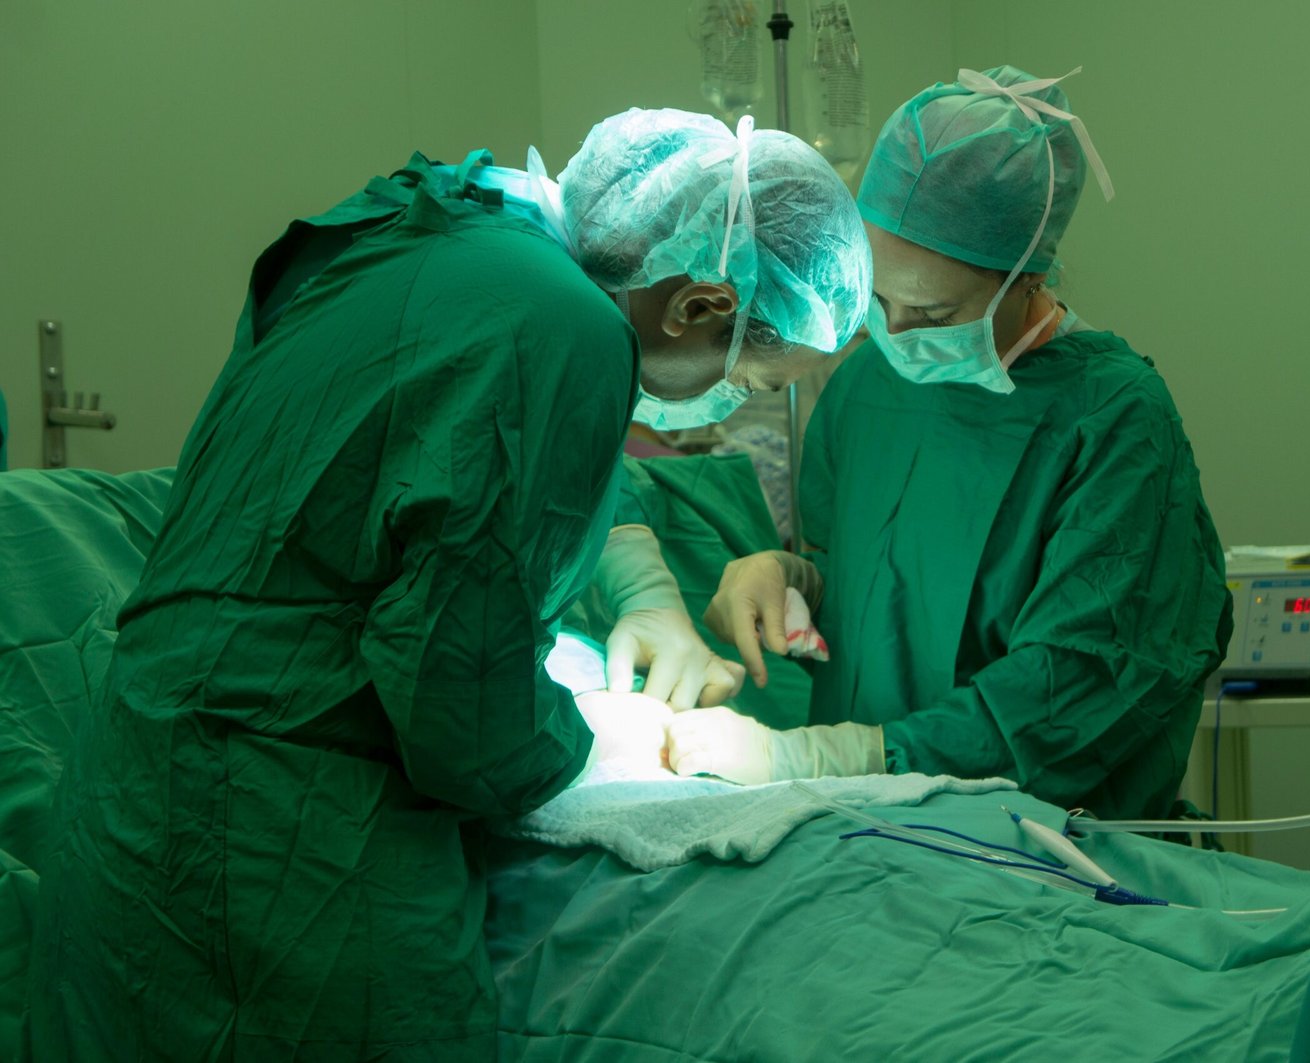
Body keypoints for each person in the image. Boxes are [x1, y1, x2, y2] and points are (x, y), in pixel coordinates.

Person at [27, 109, 870, 1059]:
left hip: (135, 785)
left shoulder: (434, 228)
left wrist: (637, 594)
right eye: (753, 373)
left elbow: (394, 497)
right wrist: (588, 741)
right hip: (281, 838)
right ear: (698, 306)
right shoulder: (568, 329)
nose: (736, 395)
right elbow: (456, 701)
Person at [671, 67, 1232, 823]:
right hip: (864, 838)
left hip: (1047, 854)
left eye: (934, 311)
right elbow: (874, 582)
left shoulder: (1114, 421)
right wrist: (792, 576)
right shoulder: (868, 383)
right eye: (877, 298)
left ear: (1026, 277)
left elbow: (1081, 687)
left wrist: (838, 759)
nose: (894, 332)